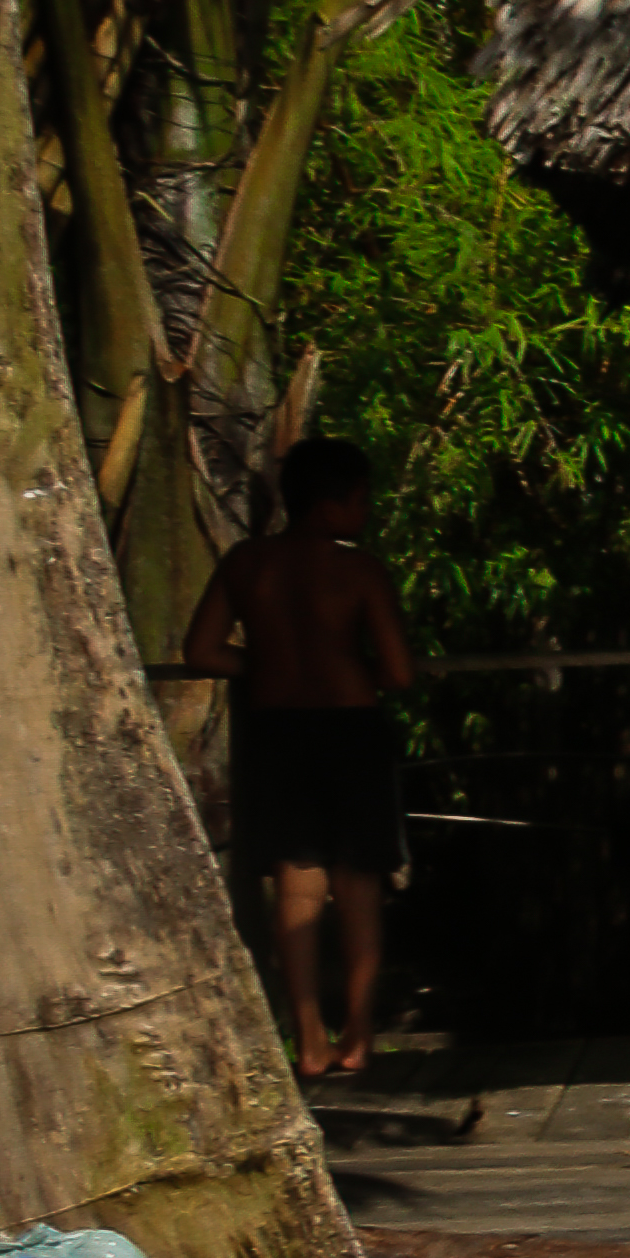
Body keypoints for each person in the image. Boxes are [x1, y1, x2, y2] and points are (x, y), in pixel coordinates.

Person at [183, 435, 426, 1081]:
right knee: (358, 882)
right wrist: (350, 665)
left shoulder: (246, 562)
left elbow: (201, 651)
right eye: (360, 500)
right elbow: (399, 672)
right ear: (329, 506)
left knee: (296, 882)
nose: (366, 511)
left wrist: (262, 663)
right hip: (350, 730)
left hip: (277, 730)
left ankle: (309, 1038)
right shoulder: (359, 570)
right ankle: (360, 1033)